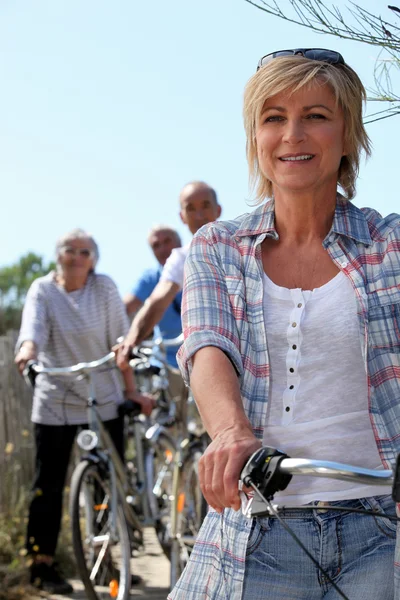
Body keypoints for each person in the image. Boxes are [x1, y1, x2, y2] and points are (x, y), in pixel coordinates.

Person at [169, 49, 400, 599]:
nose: (293, 134)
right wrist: (230, 433)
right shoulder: (217, 247)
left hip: (383, 527)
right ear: (256, 137)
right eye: (274, 118)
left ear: (347, 135)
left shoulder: (389, 244)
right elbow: (208, 347)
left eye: (316, 116)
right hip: (260, 521)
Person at [14, 228, 153, 595]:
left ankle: (107, 562)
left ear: (95, 259)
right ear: (58, 255)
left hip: (101, 393)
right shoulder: (43, 289)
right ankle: (41, 564)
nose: (76, 257)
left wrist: (130, 390)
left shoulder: (103, 287)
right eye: (69, 250)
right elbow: (34, 328)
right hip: (56, 395)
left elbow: (119, 340)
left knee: (106, 480)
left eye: (85, 252)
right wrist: (27, 351)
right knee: (48, 483)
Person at [116, 180, 222, 369]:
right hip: (177, 361)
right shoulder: (179, 260)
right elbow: (156, 302)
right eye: (191, 209)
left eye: (205, 206)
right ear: (182, 217)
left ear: (218, 210)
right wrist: (130, 341)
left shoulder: (244, 246)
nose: (199, 215)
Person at [123, 225, 182, 368]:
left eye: (167, 241)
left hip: (199, 354)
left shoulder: (200, 266)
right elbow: (125, 307)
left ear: (179, 243)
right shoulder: (150, 278)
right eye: (156, 246)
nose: (162, 249)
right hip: (164, 361)